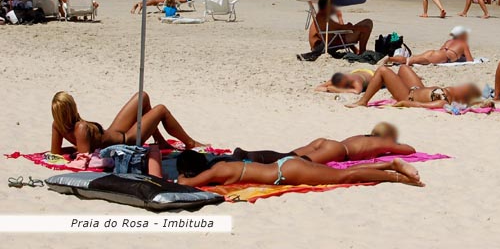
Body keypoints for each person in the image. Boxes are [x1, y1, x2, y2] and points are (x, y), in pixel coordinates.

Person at [50, 91, 205, 154]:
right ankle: (189, 142)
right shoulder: (81, 128)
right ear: (72, 107)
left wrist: (75, 146)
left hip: (114, 131)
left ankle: (160, 140)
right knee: (161, 110)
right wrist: (79, 146)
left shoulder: (58, 125)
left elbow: (56, 153)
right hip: (126, 140)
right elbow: (85, 158)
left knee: (142, 96)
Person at [209, 122, 416, 166]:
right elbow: (410, 150)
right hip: (337, 150)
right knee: (292, 161)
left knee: (286, 155)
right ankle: (251, 159)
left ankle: (250, 154)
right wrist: (393, 144)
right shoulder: (383, 142)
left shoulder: (363, 136)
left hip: (326, 141)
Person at [176, 152, 423, 187]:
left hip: (287, 173)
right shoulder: (221, 164)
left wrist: (182, 177)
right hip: (286, 164)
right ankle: (390, 164)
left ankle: (394, 176)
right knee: (339, 174)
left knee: (344, 176)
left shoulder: (214, 173)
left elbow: (185, 185)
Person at [345, 65, 489, 109]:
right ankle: (394, 85)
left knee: (383, 70)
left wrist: (400, 103)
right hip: (418, 88)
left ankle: (363, 101)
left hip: (408, 94)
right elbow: (477, 101)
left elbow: (418, 105)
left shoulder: (443, 101)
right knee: (403, 68)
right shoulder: (448, 93)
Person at [378, 26, 473, 66]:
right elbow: (470, 61)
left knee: (412, 58)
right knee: (409, 61)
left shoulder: (449, 41)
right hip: (440, 56)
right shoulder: (464, 44)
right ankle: (389, 59)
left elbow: (442, 50)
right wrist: (461, 56)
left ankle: (390, 59)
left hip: (433, 53)